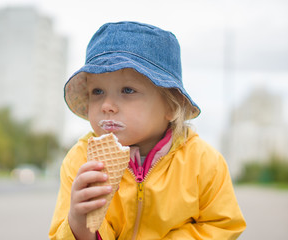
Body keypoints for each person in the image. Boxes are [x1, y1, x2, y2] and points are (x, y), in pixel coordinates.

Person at [49, 21, 246, 240]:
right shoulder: (80, 161)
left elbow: (223, 225)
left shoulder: (204, 162)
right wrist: (78, 224)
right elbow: (59, 233)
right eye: (97, 91)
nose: (107, 105)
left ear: (171, 106)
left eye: (128, 90)